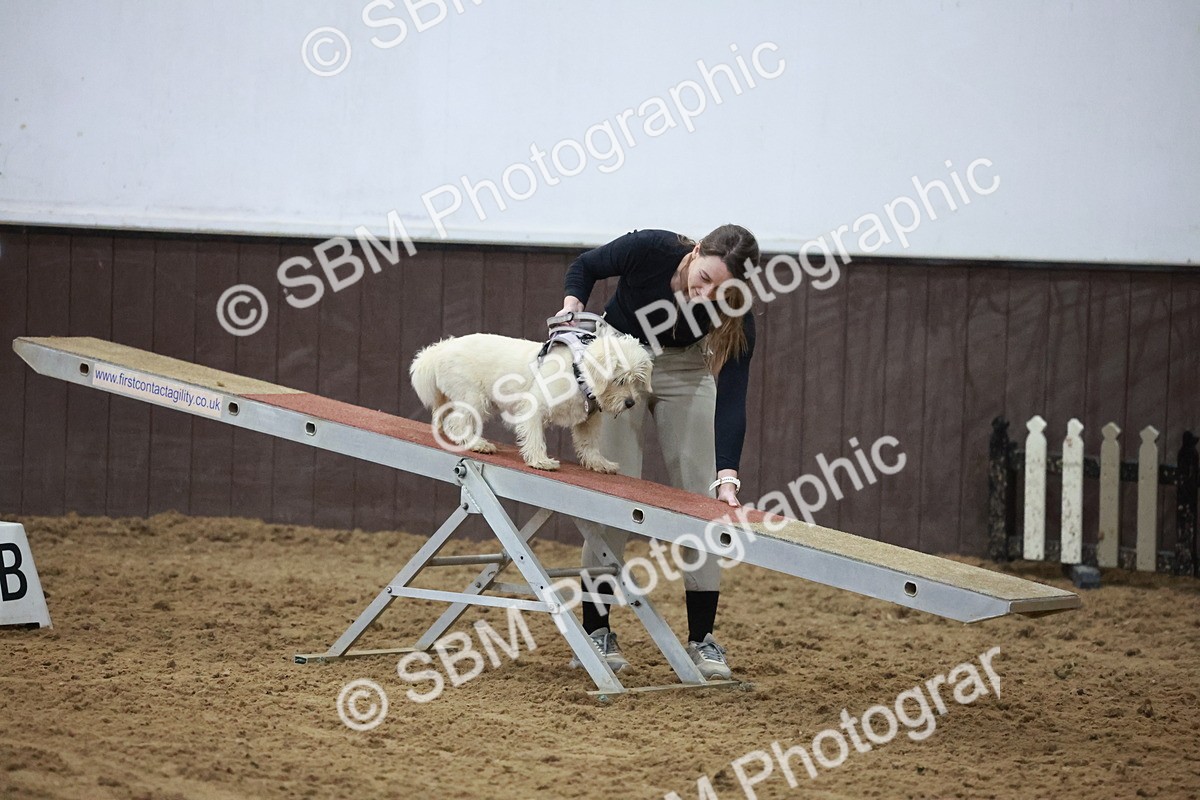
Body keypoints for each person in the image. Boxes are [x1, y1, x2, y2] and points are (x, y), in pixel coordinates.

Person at [558, 224, 758, 679]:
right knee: (613, 489)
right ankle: (597, 630)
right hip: (621, 356)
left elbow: (733, 395)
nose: (705, 293)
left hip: (686, 368)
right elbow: (585, 266)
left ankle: (703, 640)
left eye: (720, 289)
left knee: (699, 500)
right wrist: (572, 306)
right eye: (704, 278)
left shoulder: (734, 309)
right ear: (697, 250)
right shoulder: (651, 248)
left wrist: (727, 477)